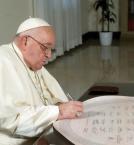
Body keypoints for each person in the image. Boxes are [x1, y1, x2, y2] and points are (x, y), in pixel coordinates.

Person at [0, 17, 83, 145]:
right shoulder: (3, 62)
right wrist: (59, 111)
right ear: (25, 41)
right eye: (45, 47)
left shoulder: (31, 60)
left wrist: (63, 107)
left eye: (51, 49)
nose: (49, 55)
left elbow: (53, 98)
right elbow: (13, 120)